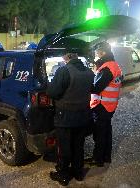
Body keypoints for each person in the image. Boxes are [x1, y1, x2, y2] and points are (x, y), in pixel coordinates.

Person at [47, 48, 94, 186]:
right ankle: (78, 173)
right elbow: (92, 89)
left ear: (66, 57)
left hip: (66, 117)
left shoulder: (64, 71)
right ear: (76, 56)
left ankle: (62, 175)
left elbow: (52, 92)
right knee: (78, 146)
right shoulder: (88, 71)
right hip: (83, 115)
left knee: (64, 147)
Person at [89, 41, 122, 167]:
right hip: (110, 105)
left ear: (102, 52)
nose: (96, 54)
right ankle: (106, 156)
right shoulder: (115, 66)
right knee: (107, 131)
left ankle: (98, 159)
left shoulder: (107, 68)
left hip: (102, 106)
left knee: (100, 134)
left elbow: (95, 88)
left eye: (97, 52)